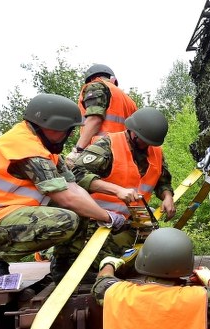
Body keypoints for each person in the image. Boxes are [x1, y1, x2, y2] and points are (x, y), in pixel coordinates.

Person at [0, 93, 127, 275]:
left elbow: (73, 188)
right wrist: (107, 217)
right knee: (65, 220)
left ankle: (66, 266)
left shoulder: (43, 148)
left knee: (82, 209)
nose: (70, 134)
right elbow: (67, 198)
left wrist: (101, 214)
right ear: (53, 126)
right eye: (68, 129)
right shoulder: (25, 148)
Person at [55, 106, 176, 279]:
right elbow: (76, 174)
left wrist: (168, 197)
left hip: (132, 219)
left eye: (150, 143)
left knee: (153, 256)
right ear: (133, 132)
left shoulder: (155, 152)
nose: (146, 145)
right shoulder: (107, 145)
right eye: (143, 141)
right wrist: (117, 190)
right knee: (100, 263)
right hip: (95, 218)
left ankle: (107, 261)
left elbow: (163, 181)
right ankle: (68, 261)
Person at [66, 63, 138, 165]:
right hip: (125, 154)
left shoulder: (96, 86)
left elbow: (95, 119)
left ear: (91, 79)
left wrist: (78, 150)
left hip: (99, 152)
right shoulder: (129, 101)